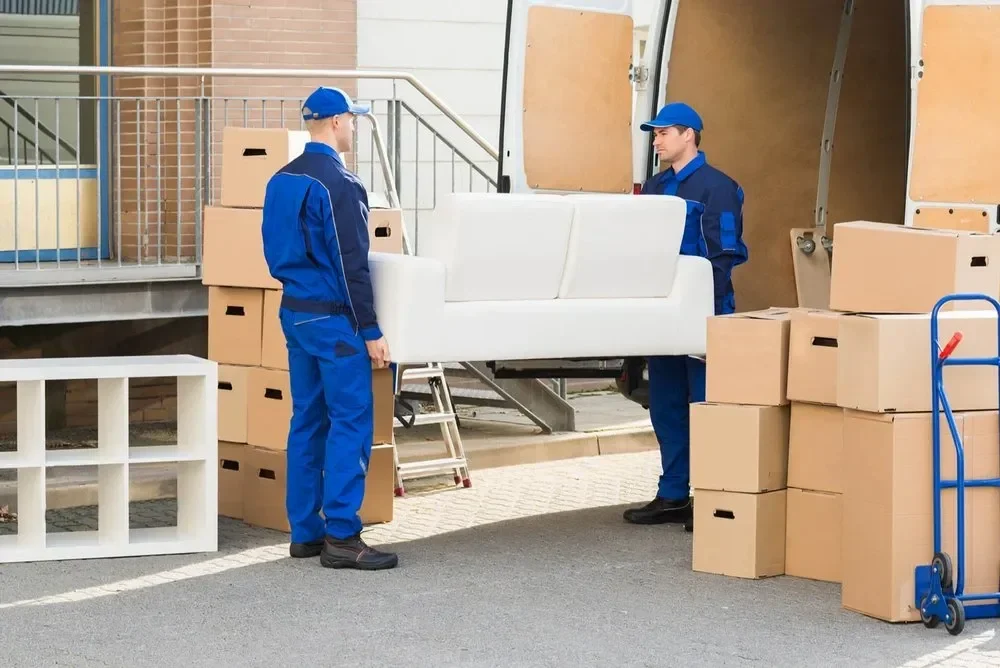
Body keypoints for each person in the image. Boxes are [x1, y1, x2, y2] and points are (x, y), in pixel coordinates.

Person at [260, 86, 398, 570]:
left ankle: (305, 532)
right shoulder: (339, 183)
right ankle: (342, 534)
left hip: (294, 312)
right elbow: (351, 264)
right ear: (337, 121)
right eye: (353, 119)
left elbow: (272, 250)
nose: (355, 127)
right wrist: (371, 329)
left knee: (308, 420)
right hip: (334, 320)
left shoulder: (279, 179)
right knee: (351, 421)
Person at [622, 102, 749, 528]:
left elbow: (724, 255)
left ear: (688, 134)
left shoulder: (719, 187)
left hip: (704, 316)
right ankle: (673, 493)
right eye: (654, 134)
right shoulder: (656, 187)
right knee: (666, 406)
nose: (655, 141)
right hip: (663, 318)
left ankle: (711, 497)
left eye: (662, 133)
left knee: (705, 407)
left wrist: (703, 316)